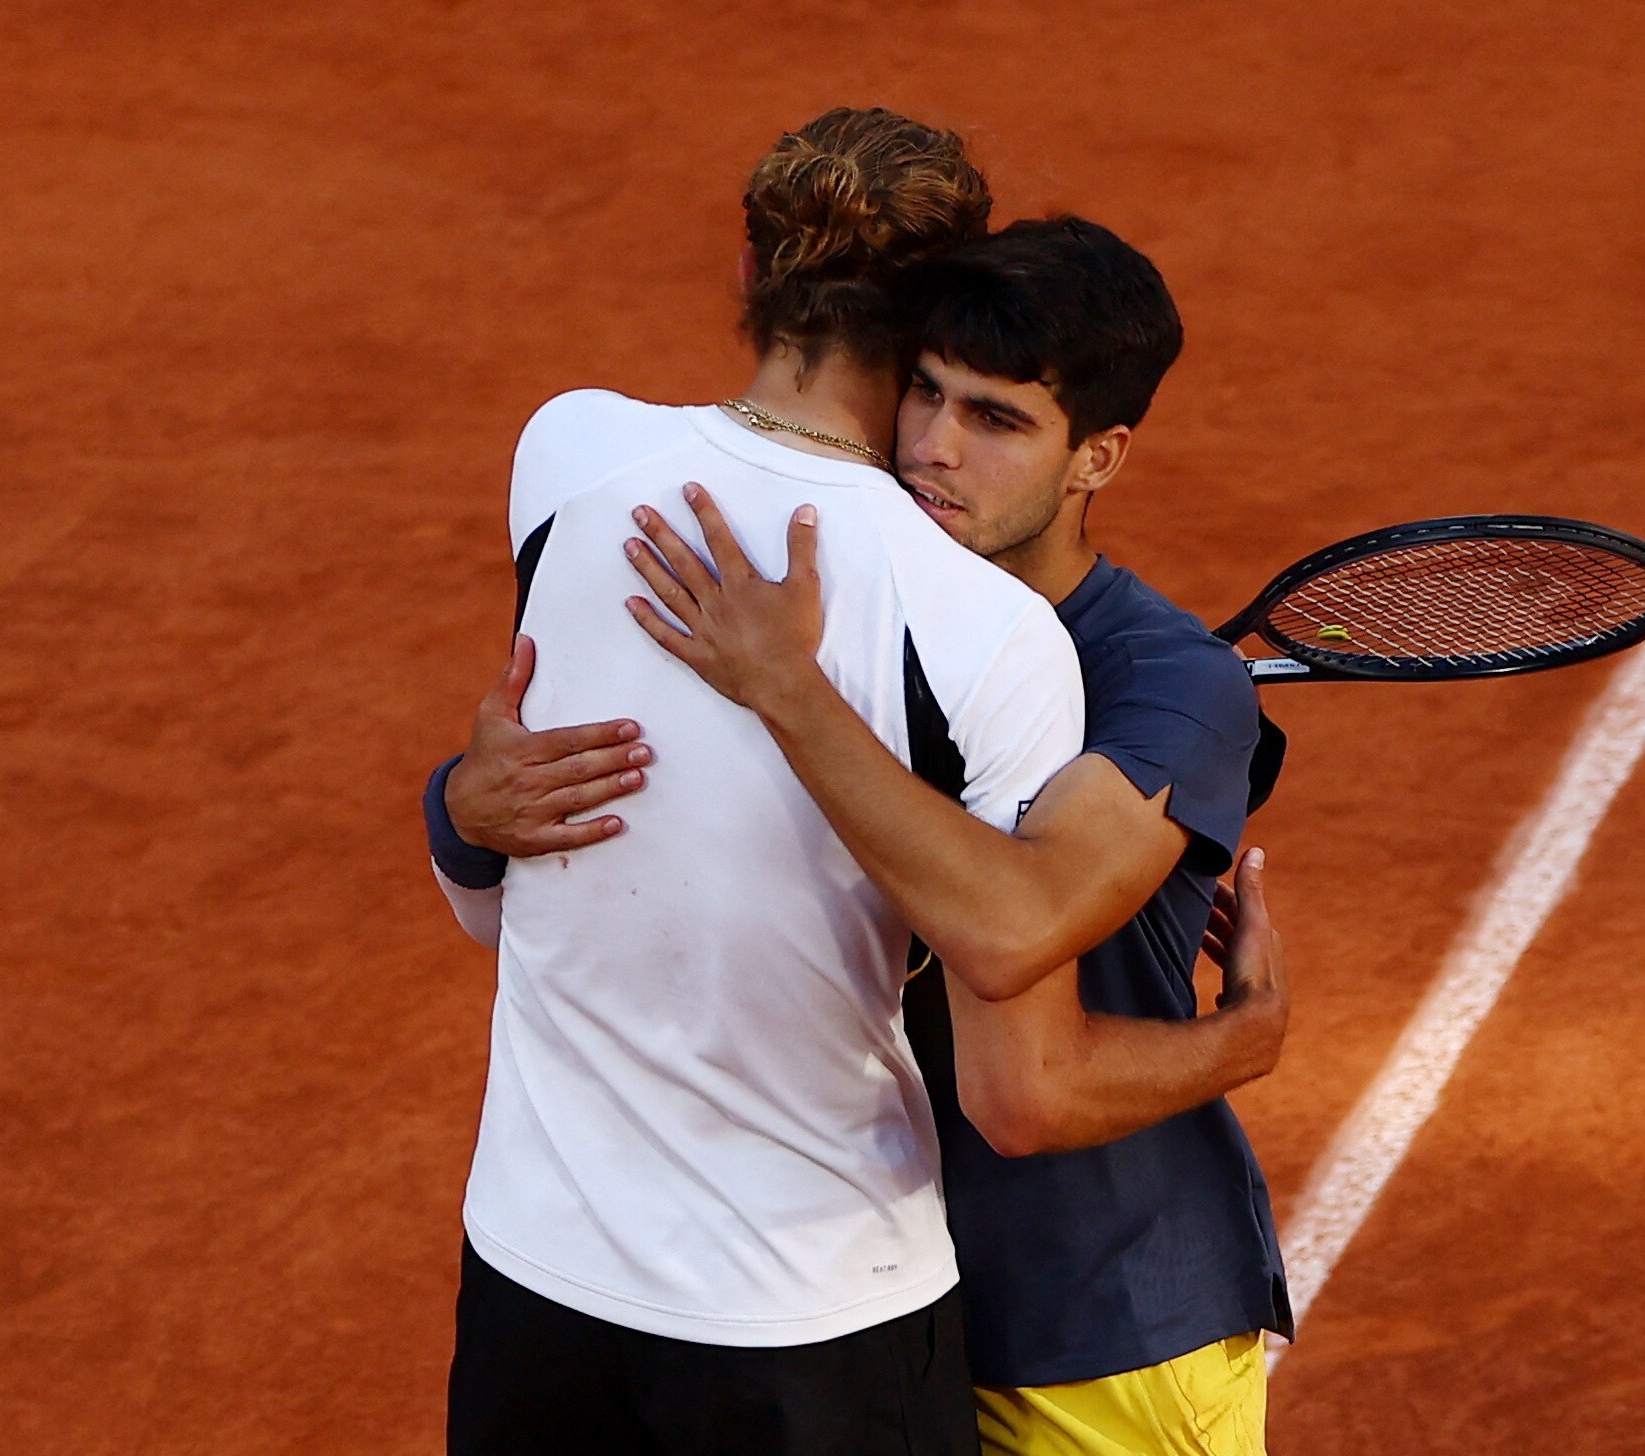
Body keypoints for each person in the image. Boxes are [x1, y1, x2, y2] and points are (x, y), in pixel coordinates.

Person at [435, 218, 1295, 1455]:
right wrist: (463, 805)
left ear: (1097, 456)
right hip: (892, 1313)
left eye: (997, 421)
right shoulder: (830, 591)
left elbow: (1023, 1068)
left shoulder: (1168, 688)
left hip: (1094, 1332)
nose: (936, 450)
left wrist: (1240, 1043)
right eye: (925, 394)